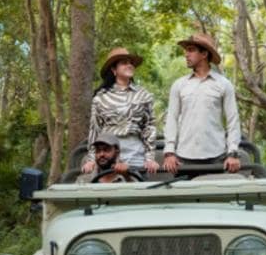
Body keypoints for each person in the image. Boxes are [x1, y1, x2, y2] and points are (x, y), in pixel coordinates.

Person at [162, 33, 242, 174]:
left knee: (213, 196)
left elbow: (233, 120)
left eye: (191, 50)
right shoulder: (179, 85)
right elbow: (172, 119)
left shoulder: (224, 84)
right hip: (183, 158)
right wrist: (169, 152)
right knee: (185, 196)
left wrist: (233, 153)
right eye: (186, 51)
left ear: (204, 54)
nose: (186, 54)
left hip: (216, 157)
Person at [81, 47, 160, 175]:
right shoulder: (100, 98)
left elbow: (149, 127)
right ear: (114, 70)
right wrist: (91, 159)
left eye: (131, 63)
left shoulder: (144, 95)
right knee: (109, 190)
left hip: (135, 153)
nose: (129, 65)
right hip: (107, 153)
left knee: (134, 189)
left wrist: (150, 158)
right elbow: (95, 129)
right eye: (124, 63)